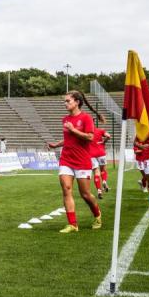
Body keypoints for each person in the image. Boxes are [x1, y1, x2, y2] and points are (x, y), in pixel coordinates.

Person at [46, 90, 104, 233]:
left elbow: (90, 137)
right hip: (66, 159)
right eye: (65, 101)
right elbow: (68, 139)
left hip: (82, 160)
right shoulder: (65, 119)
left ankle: (97, 215)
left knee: (85, 194)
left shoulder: (86, 118)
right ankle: (72, 224)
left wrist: (73, 130)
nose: (65, 103)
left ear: (77, 102)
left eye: (68, 101)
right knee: (66, 189)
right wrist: (56, 144)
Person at [90, 125, 111, 199]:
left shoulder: (86, 132)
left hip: (91, 154)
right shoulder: (100, 130)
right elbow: (108, 136)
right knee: (103, 170)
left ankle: (99, 190)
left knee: (96, 172)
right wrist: (103, 141)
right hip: (101, 152)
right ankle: (104, 181)